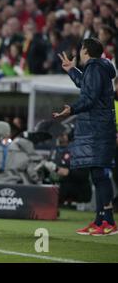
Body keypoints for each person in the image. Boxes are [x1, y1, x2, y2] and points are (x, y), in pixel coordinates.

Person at [54, 37, 117, 235]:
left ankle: (109, 222)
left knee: (100, 174)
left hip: (98, 128)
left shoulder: (95, 68)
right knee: (97, 174)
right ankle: (100, 220)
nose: (79, 53)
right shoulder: (96, 69)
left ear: (86, 51)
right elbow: (87, 87)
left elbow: (89, 98)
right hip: (96, 127)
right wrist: (72, 70)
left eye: (81, 49)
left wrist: (71, 109)